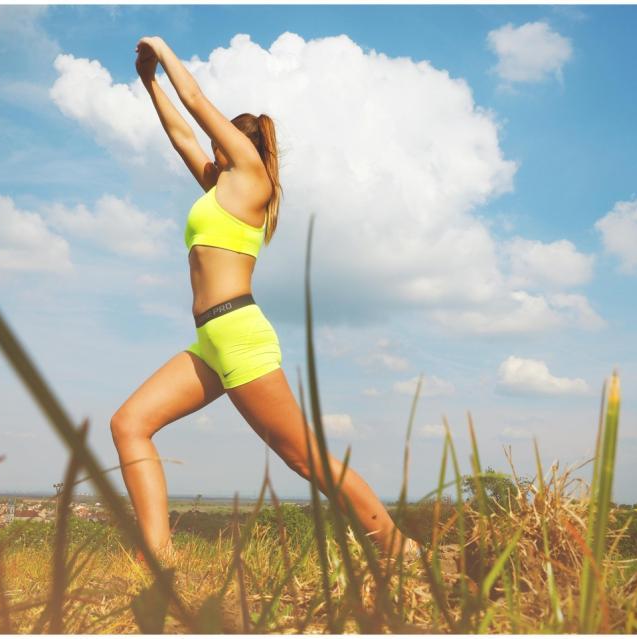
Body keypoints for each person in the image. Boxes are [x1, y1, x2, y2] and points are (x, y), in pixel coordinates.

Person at [110, 36, 422, 569]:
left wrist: (162, 50)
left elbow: (196, 105)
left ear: (241, 146)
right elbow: (179, 131)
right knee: (129, 423)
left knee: (306, 460)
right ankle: (159, 558)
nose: (209, 151)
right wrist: (147, 82)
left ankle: (399, 549)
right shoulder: (216, 187)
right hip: (210, 338)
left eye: (221, 142)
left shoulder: (251, 180)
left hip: (240, 334)